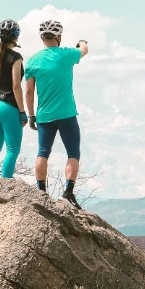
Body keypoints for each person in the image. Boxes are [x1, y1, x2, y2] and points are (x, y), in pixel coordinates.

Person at [24, 19, 88, 209]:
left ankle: (41, 192)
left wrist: (31, 115)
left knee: (42, 152)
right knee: (73, 153)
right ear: (59, 36)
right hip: (67, 113)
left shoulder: (33, 61)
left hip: (44, 115)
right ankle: (68, 193)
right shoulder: (66, 54)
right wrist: (82, 42)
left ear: (42, 38)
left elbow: (29, 91)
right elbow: (84, 50)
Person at [0, 19, 27, 181]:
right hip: (8, 106)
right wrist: (22, 111)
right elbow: (16, 86)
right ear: (16, 37)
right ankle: (5, 185)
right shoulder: (16, 57)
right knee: (12, 149)